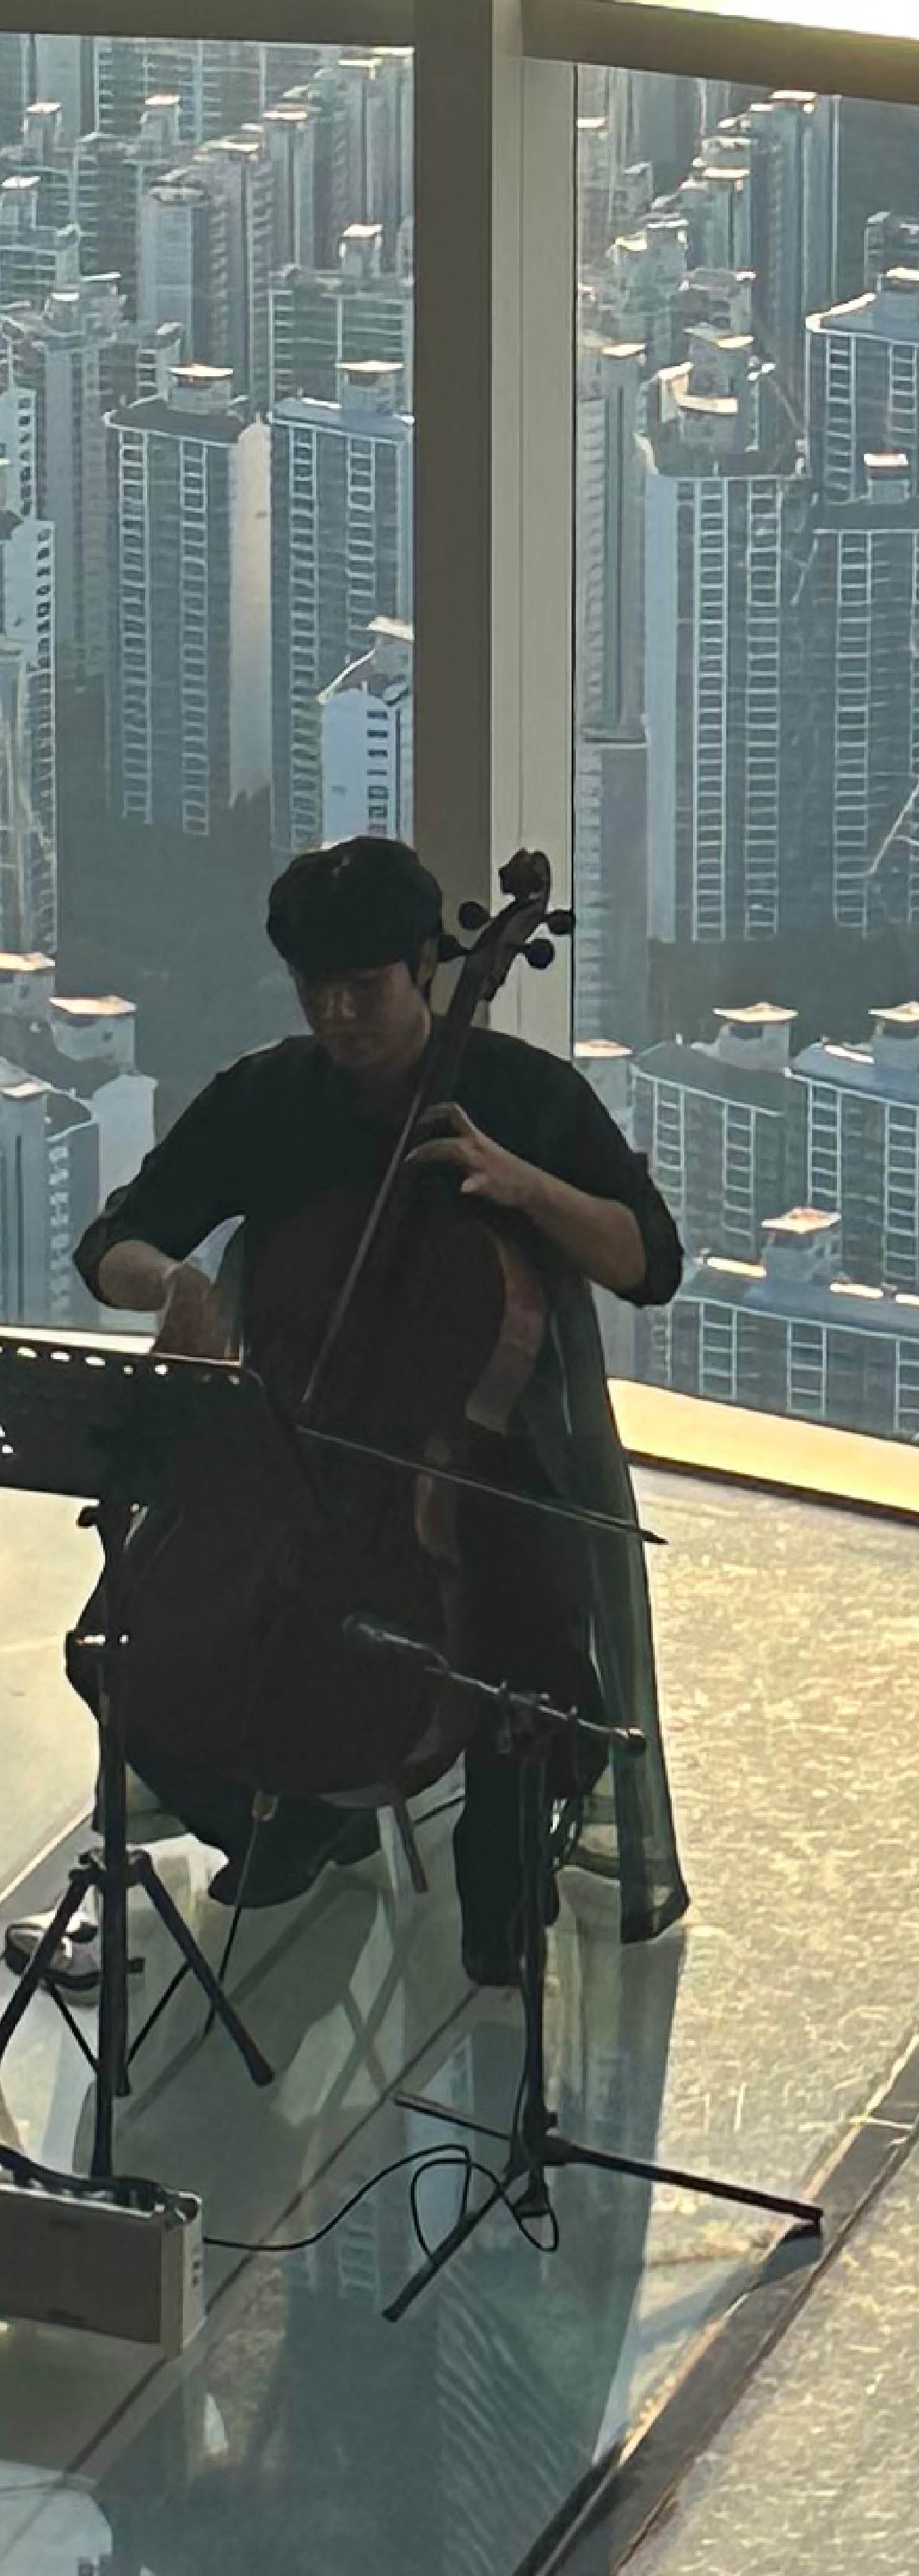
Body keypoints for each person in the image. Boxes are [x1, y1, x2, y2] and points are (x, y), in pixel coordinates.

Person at [70, 835, 689, 1983]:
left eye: (364, 986)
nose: (337, 1013)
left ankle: (497, 1878)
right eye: (315, 988)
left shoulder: (522, 1094)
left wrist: (525, 1185)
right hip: (295, 1444)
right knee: (127, 1653)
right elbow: (114, 1238)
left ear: (426, 965)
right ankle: (309, 1812)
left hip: (487, 1467)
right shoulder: (268, 1098)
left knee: (528, 1665)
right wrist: (175, 1284)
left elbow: (649, 1259)